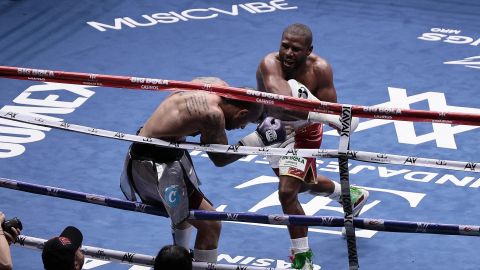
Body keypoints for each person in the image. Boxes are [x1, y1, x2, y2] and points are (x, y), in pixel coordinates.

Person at [251, 23, 370, 269]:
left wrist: (333, 119)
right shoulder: (269, 63)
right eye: (284, 46)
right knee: (301, 184)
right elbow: (283, 103)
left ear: (309, 50)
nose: (288, 53)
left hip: (306, 132)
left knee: (286, 192)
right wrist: (331, 118)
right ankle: (350, 196)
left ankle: (302, 259)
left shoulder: (321, 70)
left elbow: (330, 111)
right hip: (273, 128)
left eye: (296, 49)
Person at [120, 77, 270, 263]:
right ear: (241, 113)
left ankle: (180, 260)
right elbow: (220, 158)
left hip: (166, 153)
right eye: (245, 123)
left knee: (184, 214)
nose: (241, 127)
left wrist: (261, 112)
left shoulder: (214, 84)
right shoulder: (213, 115)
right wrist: (258, 140)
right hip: (153, 166)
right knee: (211, 223)